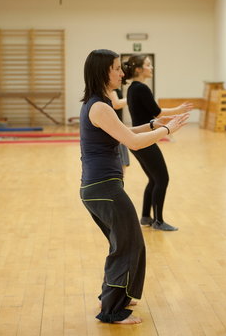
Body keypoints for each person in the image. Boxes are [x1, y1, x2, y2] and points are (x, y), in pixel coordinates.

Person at [79, 49, 188, 324]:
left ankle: (118, 296)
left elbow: (126, 133)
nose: (121, 72)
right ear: (104, 71)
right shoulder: (100, 106)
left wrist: (153, 124)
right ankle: (112, 310)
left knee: (123, 243)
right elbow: (134, 143)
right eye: (116, 68)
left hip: (100, 188)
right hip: (103, 189)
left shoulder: (98, 103)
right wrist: (168, 130)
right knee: (128, 245)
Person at [123, 55, 193, 231]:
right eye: (148, 65)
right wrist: (178, 111)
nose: (151, 67)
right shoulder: (141, 88)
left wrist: (175, 111)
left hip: (139, 139)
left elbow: (154, 113)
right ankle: (158, 221)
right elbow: (157, 113)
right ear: (139, 69)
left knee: (154, 179)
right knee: (162, 178)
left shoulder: (132, 88)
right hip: (144, 139)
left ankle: (146, 217)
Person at [107, 87, 130, 169]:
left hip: (119, 127)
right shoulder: (110, 89)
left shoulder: (116, 89)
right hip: (114, 130)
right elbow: (116, 104)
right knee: (120, 164)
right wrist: (131, 97)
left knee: (123, 163)